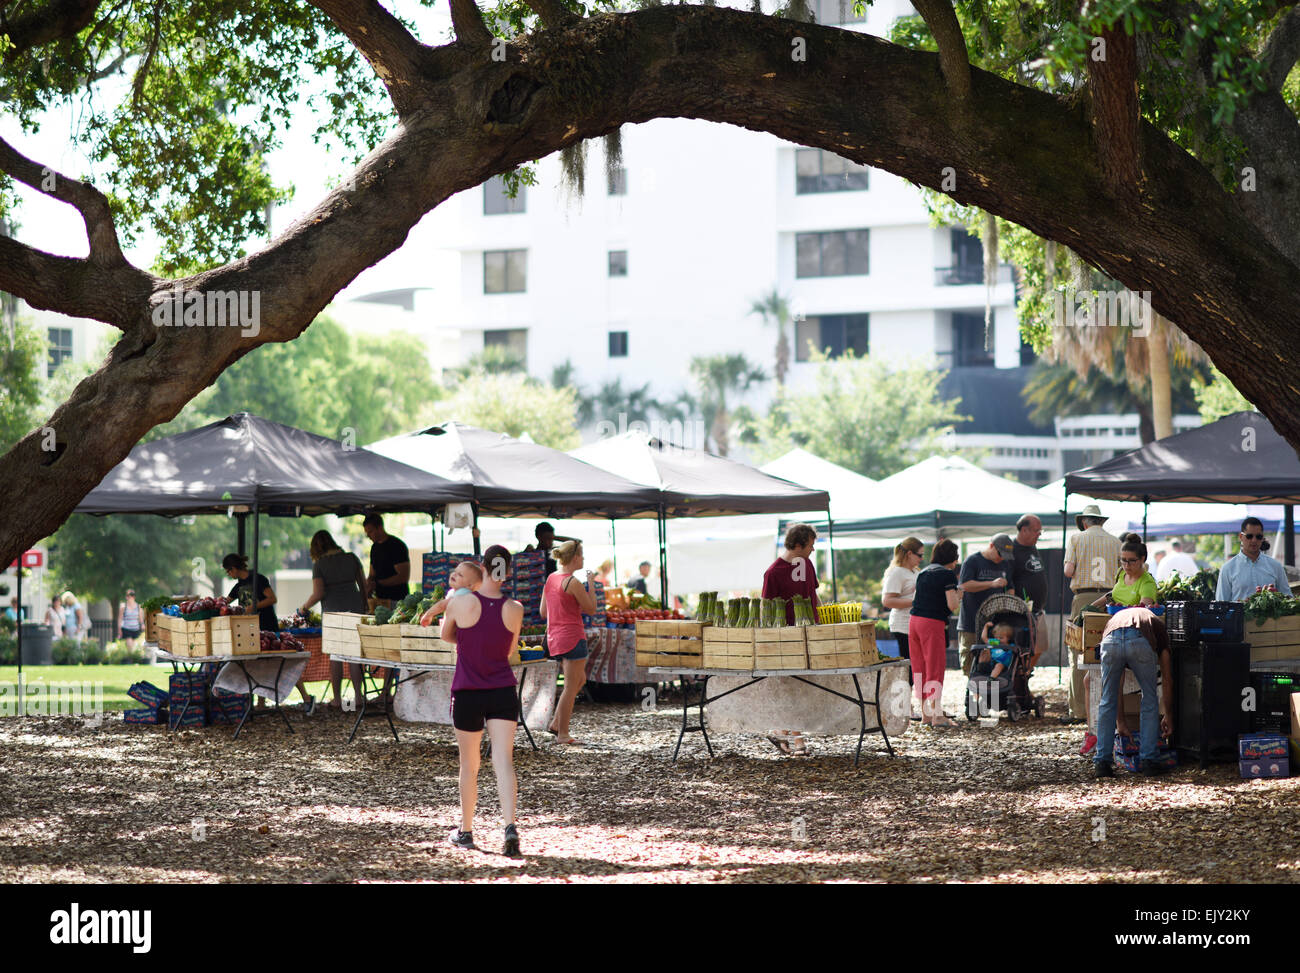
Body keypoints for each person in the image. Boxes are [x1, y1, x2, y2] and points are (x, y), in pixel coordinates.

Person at [443, 544, 524, 856]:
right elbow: (507, 651)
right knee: (503, 761)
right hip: (502, 690)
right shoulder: (514, 608)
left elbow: (446, 635)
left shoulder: (461, 601)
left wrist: (467, 637)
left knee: (469, 764)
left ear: (483, 567)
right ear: (508, 572)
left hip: (467, 691)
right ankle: (510, 826)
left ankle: (466, 831)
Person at [224, 553, 314, 714]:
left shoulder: (259, 579)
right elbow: (225, 601)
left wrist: (255, 607)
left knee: (283, 663)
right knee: (258, 663)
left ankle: (306, 697)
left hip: (268, 627)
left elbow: (272, 598)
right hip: (251, 630)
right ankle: (261, 701)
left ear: (234, 568)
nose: (228, 575)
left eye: (228, 571)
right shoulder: (238, 586)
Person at [1092, 606, 1174, 779]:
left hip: (1110, 640)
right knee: (1150, 697)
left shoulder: (1116, 617)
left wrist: (1120, 722)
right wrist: (1168, 714)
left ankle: (1102, 763)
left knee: (1107, 698)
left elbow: (1117, 687)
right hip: (1139, 639)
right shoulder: (1157, 624)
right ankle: (1149, 761)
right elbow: (1167, 677)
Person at [761, 523, 821, 754]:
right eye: (810, 546)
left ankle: (783, 733)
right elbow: (765, 610)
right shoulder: (773, 573)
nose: (812, 551)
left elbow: (813, 595)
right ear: (797, 545)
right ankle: (797, 740)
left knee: (799, 687)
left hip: (810, 635)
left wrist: (824, 619)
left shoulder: (806, 564)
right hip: (785, 639)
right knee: (794, 688)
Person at [1062, 504, 1121, 735]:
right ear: (1101, 522)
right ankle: (1107, 706)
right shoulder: (1116, 541)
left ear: (1085, 522)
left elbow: (1068, 571)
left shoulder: (1076, 539)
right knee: (1106, 649)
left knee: (1079, 650)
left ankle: (1079, 710)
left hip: (1083, 597)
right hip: (1109, 597)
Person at [299, 530, 368, 711]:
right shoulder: (351, 558)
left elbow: (318, 593)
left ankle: (337, 699)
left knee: (336, 656)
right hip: (355, 609)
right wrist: (364, 605)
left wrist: (303, 608)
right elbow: (363, 585)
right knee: (354, 656)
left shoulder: (320, 564)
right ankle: (358, 698)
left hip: (333, 613)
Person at [541, 540, 597, 746]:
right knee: (571, 686)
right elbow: (591, 608)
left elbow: (543, 612)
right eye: (582, 556)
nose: (583, 559)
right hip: (573, 637)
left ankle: (556, 723)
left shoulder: (551, 578)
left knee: (578, 680)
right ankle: (563, 733)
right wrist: (590, 583)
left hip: (555, 638)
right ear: (575, 558)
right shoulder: (572, 582)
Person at [909, 538, 962, 728]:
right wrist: (959, 593)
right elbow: (952, 605)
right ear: (952, 558)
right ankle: (937, 715)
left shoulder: (923, 572)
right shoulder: (947, 575)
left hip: (914, 621)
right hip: (932, 623)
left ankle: (926, 714)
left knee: (919, 668)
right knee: (935, 667)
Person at [956, 534, 1013, 675]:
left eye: (1005, 556)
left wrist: (1010, 599)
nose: (1001, 558)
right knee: (969, 661)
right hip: (971, 622)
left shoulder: (1005, 564)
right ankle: (974, 690)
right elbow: (964, 585)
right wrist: (991, 584)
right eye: (1000, 554)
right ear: (991, 545)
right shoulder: (973, 561)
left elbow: (1010, 587)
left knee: (993, 660)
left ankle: (989, 692)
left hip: (995, 625)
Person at [1216, 517, 1291, 601]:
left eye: (1258, 536)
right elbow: (1221, 604)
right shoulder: (1227, 568)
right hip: (1240, 614)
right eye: (1249, 536)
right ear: (1241, 537)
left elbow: (1287, 598)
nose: (1254, 540)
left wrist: (1276, 598)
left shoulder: (1275, 566)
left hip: (1270, 614)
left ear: (1262, 538)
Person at [1009, 515, 1047, 670]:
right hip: (1020, 613)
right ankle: (1019, 684)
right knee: (1023, 650)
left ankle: (1023, 681)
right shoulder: (1011, 550)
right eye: (1037, 531)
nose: (1039, 534)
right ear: (1024, 530)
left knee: (1040, 648)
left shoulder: (1033, 546)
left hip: (1038, 611)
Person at [882, 537, 924, 664]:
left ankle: (915, 684)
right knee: (910, 664)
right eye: (919, 555)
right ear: (909, 554)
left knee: (917, 663)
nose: (921, 559)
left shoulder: (915, 572)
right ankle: (908, 684)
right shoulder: (897, 573)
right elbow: (887, 601)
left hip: (914, 624)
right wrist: (915, 602)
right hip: (903, 626)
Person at [1092, 534, 1158, 609]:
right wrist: (1090, 607)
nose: (1126, 565)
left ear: (1142, 559)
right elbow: (1112, 594)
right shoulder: (1121, 572)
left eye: (1132, 560)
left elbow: (1142, 611)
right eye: (1123, 560)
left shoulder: (1147, 583)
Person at [363, 514, 410, 606]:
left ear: (380, 527)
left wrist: (379, 583)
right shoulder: (374, 548)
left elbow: (403, 577)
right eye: (367, 533)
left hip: (397, 600)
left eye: (370, 531)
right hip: (380, 599)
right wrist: (369, 586)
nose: (368, 536)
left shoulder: (397, 545)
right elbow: (372, 574)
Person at [419, 562, 484, 624]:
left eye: (460, 575)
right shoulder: (453, 592)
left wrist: (428, 615)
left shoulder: (463, 594)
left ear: (469, 585)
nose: (454, 574)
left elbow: (442, 605)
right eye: (455, 571)